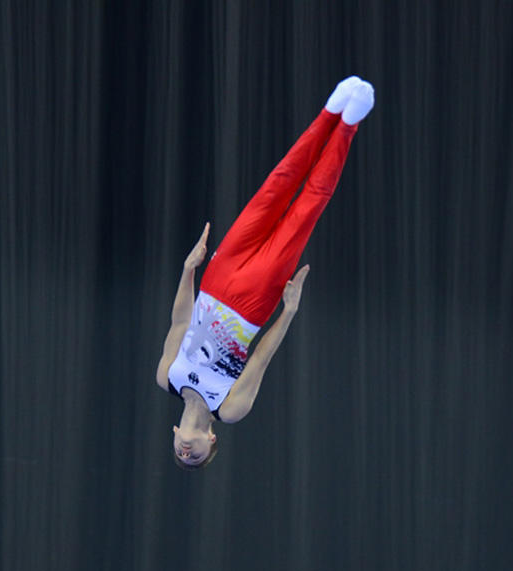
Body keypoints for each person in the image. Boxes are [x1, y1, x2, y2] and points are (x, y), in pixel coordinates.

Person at [157, 76, 375, 469]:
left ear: (175, 436)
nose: (186, 453)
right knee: (305, 210)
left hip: (215, 280)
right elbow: (261, 358)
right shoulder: (231, 409)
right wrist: (288, 311)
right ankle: (348, 126)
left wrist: (189, 270)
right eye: (197, 458)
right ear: (211, 438)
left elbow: (179, 321)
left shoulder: (166, 377)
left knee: (275, 188)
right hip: (252, 303)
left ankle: (329, 113)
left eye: (180, 454)